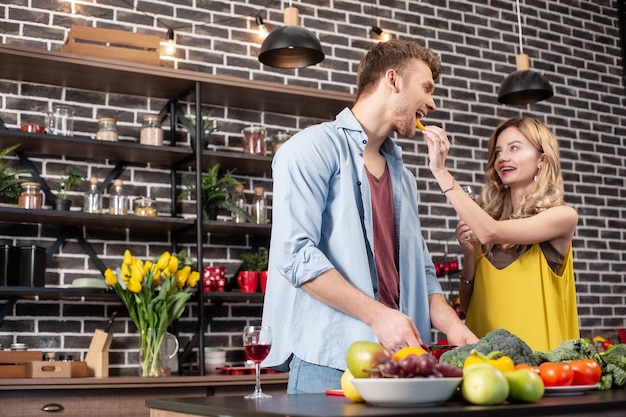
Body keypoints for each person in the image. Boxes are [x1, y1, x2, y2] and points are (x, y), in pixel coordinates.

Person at [261, 39, 478, 394]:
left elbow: (422, 275)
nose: (432, 104)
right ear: (393, 80)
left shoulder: (404, 179)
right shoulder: (310, 149)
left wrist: (455, 329)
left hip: (402, 362)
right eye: (426, 88)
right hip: (329, 362)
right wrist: (379, 316)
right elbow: (296, 256)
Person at [423, 117, 579, 352]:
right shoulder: (488, 224)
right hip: (483, 367)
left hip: (541, 370)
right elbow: (466, 306)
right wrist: (469, 254)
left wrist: (440, 171)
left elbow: (489, 232)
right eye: (498, 152)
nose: (502, 157)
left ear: (542, 159)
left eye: (514, 147)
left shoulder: (562, 217)